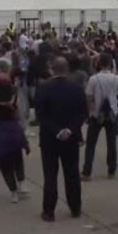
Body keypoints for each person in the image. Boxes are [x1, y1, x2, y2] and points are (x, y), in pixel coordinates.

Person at [35, 57, 87, 222]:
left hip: (50, 138)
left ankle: (49, 211)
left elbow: (40, 114)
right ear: (67, 70)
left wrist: (57, 130)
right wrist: (70, 129)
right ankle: (75, 208)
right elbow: (83, 113)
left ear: (52, 69)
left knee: (50, 175)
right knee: (72, 174)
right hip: (71, 138)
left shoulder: (43, 88)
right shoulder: (77, 89)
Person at [0, 78, 30, 203]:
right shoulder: (14, 97)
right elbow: (20, 114)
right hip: (13, 129)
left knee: (4, 163)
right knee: (17, 157)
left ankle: (13, 192)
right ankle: (22, 182)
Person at [82, 52, 118, 181]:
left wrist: (91, 111)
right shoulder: (116, 78)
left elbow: (88, 96)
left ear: (98, 63)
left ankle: (87, 171)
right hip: (112, 112)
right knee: (111, 143)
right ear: (111, 64)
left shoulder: (93, 79)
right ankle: (112, 170)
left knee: (91, 144)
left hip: (96, 114)